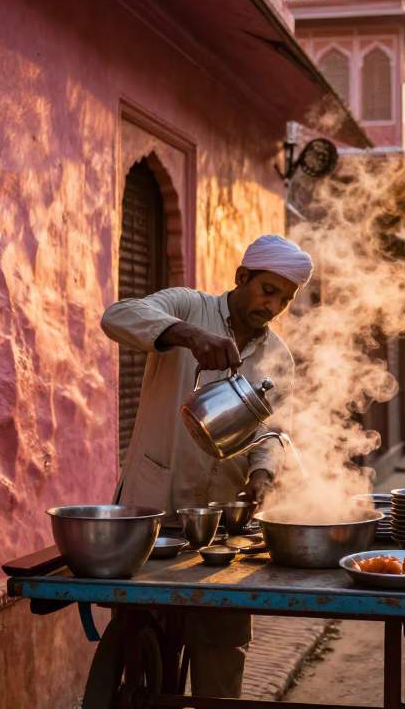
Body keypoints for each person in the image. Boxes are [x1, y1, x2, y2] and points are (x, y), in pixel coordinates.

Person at [99, 234, 310, 699]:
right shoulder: (188, 306)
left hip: (222, 520)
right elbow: (116, 316)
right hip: (155, 509)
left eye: (284, 298)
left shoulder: (278, 356)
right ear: (242, 277)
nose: (273, 305)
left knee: (221, 646)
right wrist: (188, 336)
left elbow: (274, 432)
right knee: (141, 636)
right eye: (267, 290)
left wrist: (262, 475)